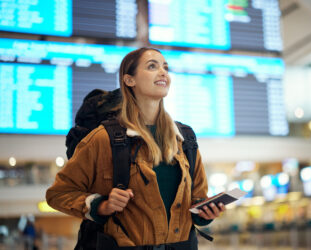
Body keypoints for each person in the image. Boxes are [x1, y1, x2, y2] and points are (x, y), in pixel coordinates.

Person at [46, 47, 225, 249]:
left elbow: (196, 201)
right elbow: (58, 194)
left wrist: (204, 215)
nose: (163, 72)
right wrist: (101, 205)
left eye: (165, 67)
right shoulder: (103, 139)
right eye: (152, 66)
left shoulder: (185, 139)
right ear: (129, 80)